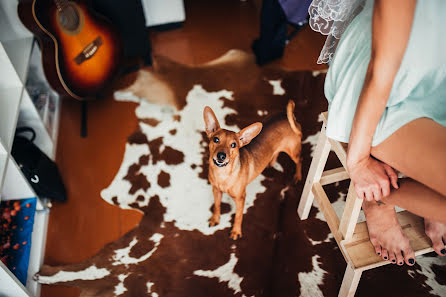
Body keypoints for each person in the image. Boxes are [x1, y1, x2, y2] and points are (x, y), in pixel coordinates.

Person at [310, 0, 446, 266]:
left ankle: (417, 192)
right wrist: (358, 162)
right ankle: (379, 200)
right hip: (393, 84)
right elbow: (382, 69)